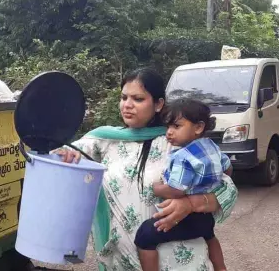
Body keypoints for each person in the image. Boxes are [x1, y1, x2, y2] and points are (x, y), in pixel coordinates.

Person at [55, 67, 238, 271]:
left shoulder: (180, 142)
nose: (128, 105)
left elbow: (227, 188)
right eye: (124, 97)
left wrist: (191, 203)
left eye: (138, 99)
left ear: (159, 104)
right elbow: (61, 152)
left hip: (181, 262)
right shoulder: (105, 140)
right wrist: (65, 153)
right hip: (123, 262)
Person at [134, 99, 232, 271]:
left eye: (176, 127)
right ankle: (221, 268)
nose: (169, 133)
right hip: (206, 215)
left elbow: (176, 190)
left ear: (198, 127)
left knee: (145, 234)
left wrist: (156, 187)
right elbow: (228, 169)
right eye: (168, 127)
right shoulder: (211, 145)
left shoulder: (182, 156)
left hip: (187, 216)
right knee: (210, 235)